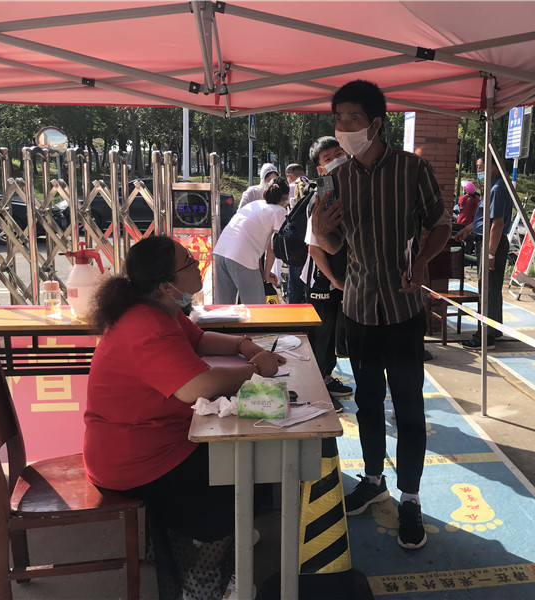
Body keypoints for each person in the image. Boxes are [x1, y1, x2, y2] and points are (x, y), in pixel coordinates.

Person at [83, 235, 285, 599]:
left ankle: (229, 540)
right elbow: (198, 387)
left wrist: (243, 345)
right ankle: (205, 578)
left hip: (153, 440)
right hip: (134, 459)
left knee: (239, 458)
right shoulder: (145, 327)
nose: (198, 265)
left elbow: (199, 339)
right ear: (166, 285)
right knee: (232, 474)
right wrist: (256, 370)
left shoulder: (159, 310)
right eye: (189, 262)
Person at [312, 79, 451, 550]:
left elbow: (440, 222)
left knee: (409, 408)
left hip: (403, 308)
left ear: (375, 123)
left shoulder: (413, 169)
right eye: (337, 119)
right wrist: (320, 230)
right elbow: (332, 244)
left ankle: (410, 498)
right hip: (357, 310)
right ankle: (373, 481)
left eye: (351, 118)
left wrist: (422, 261)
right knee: (367, 403)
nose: (343, 128)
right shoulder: (336, 178)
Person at [303, 136, 353, 413]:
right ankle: (316, 390)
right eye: (328, 158)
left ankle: (326, 378)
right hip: (321, 280)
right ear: (321, 169)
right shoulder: (319, 200)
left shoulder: (345, 191)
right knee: (320, 336)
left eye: (339, 153)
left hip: (337, 280)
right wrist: (333, 280)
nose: (336, 159)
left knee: (331, 334)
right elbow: (314, 248)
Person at [455, 159, 513, 349]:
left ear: (493, 167)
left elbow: (497, 224)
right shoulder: (495, 186)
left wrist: (490, 254)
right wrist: (469, 229)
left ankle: (484, 336)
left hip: (491, 243)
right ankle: (494, 329)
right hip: (488, 240)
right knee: (492, 288)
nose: (479, 171)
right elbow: (485, 219)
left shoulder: (497, 189)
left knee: (487, 289)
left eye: (481, 167)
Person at [212, 176, 289, 304]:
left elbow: (251, 240)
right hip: (242, 257)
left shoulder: (254, 204)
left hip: (221, 252)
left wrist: (261, 272)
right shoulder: (279, 211)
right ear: (286, 196)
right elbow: (272, 246)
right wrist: (266, 273)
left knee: (224, 308)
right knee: (256, 308)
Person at [284, 163, 309, 303]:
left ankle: (293, 308)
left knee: (295, 281)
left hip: (296, 241)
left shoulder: (289, 188)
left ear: (289, 176)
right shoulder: (312, 185)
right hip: (313, 239)